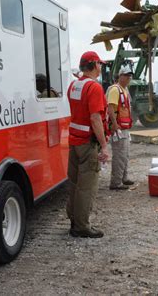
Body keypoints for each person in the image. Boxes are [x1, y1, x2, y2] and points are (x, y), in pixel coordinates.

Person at [66, 51, 109, 238]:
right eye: (99, 63)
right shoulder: (95, 88)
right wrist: (104, 145)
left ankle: (74, 221)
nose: (101, 67)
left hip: (74, 141)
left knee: (75, 184)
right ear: (94, 65)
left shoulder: (74, 85)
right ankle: (82, 226)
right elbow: (95, 118)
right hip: (87, 144)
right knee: (87, 187)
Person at [107, 65, 134, 190]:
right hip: (118, 127)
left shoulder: (125, 90)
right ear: (120, 76)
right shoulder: (115, 90)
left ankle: (124, 177)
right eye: (126, 75)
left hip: (124, 127)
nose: (129, 78)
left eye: (130, 76)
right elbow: (110, 108)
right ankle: (116, 182)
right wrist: (114, 124)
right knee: (119, 155)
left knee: (125, 154)